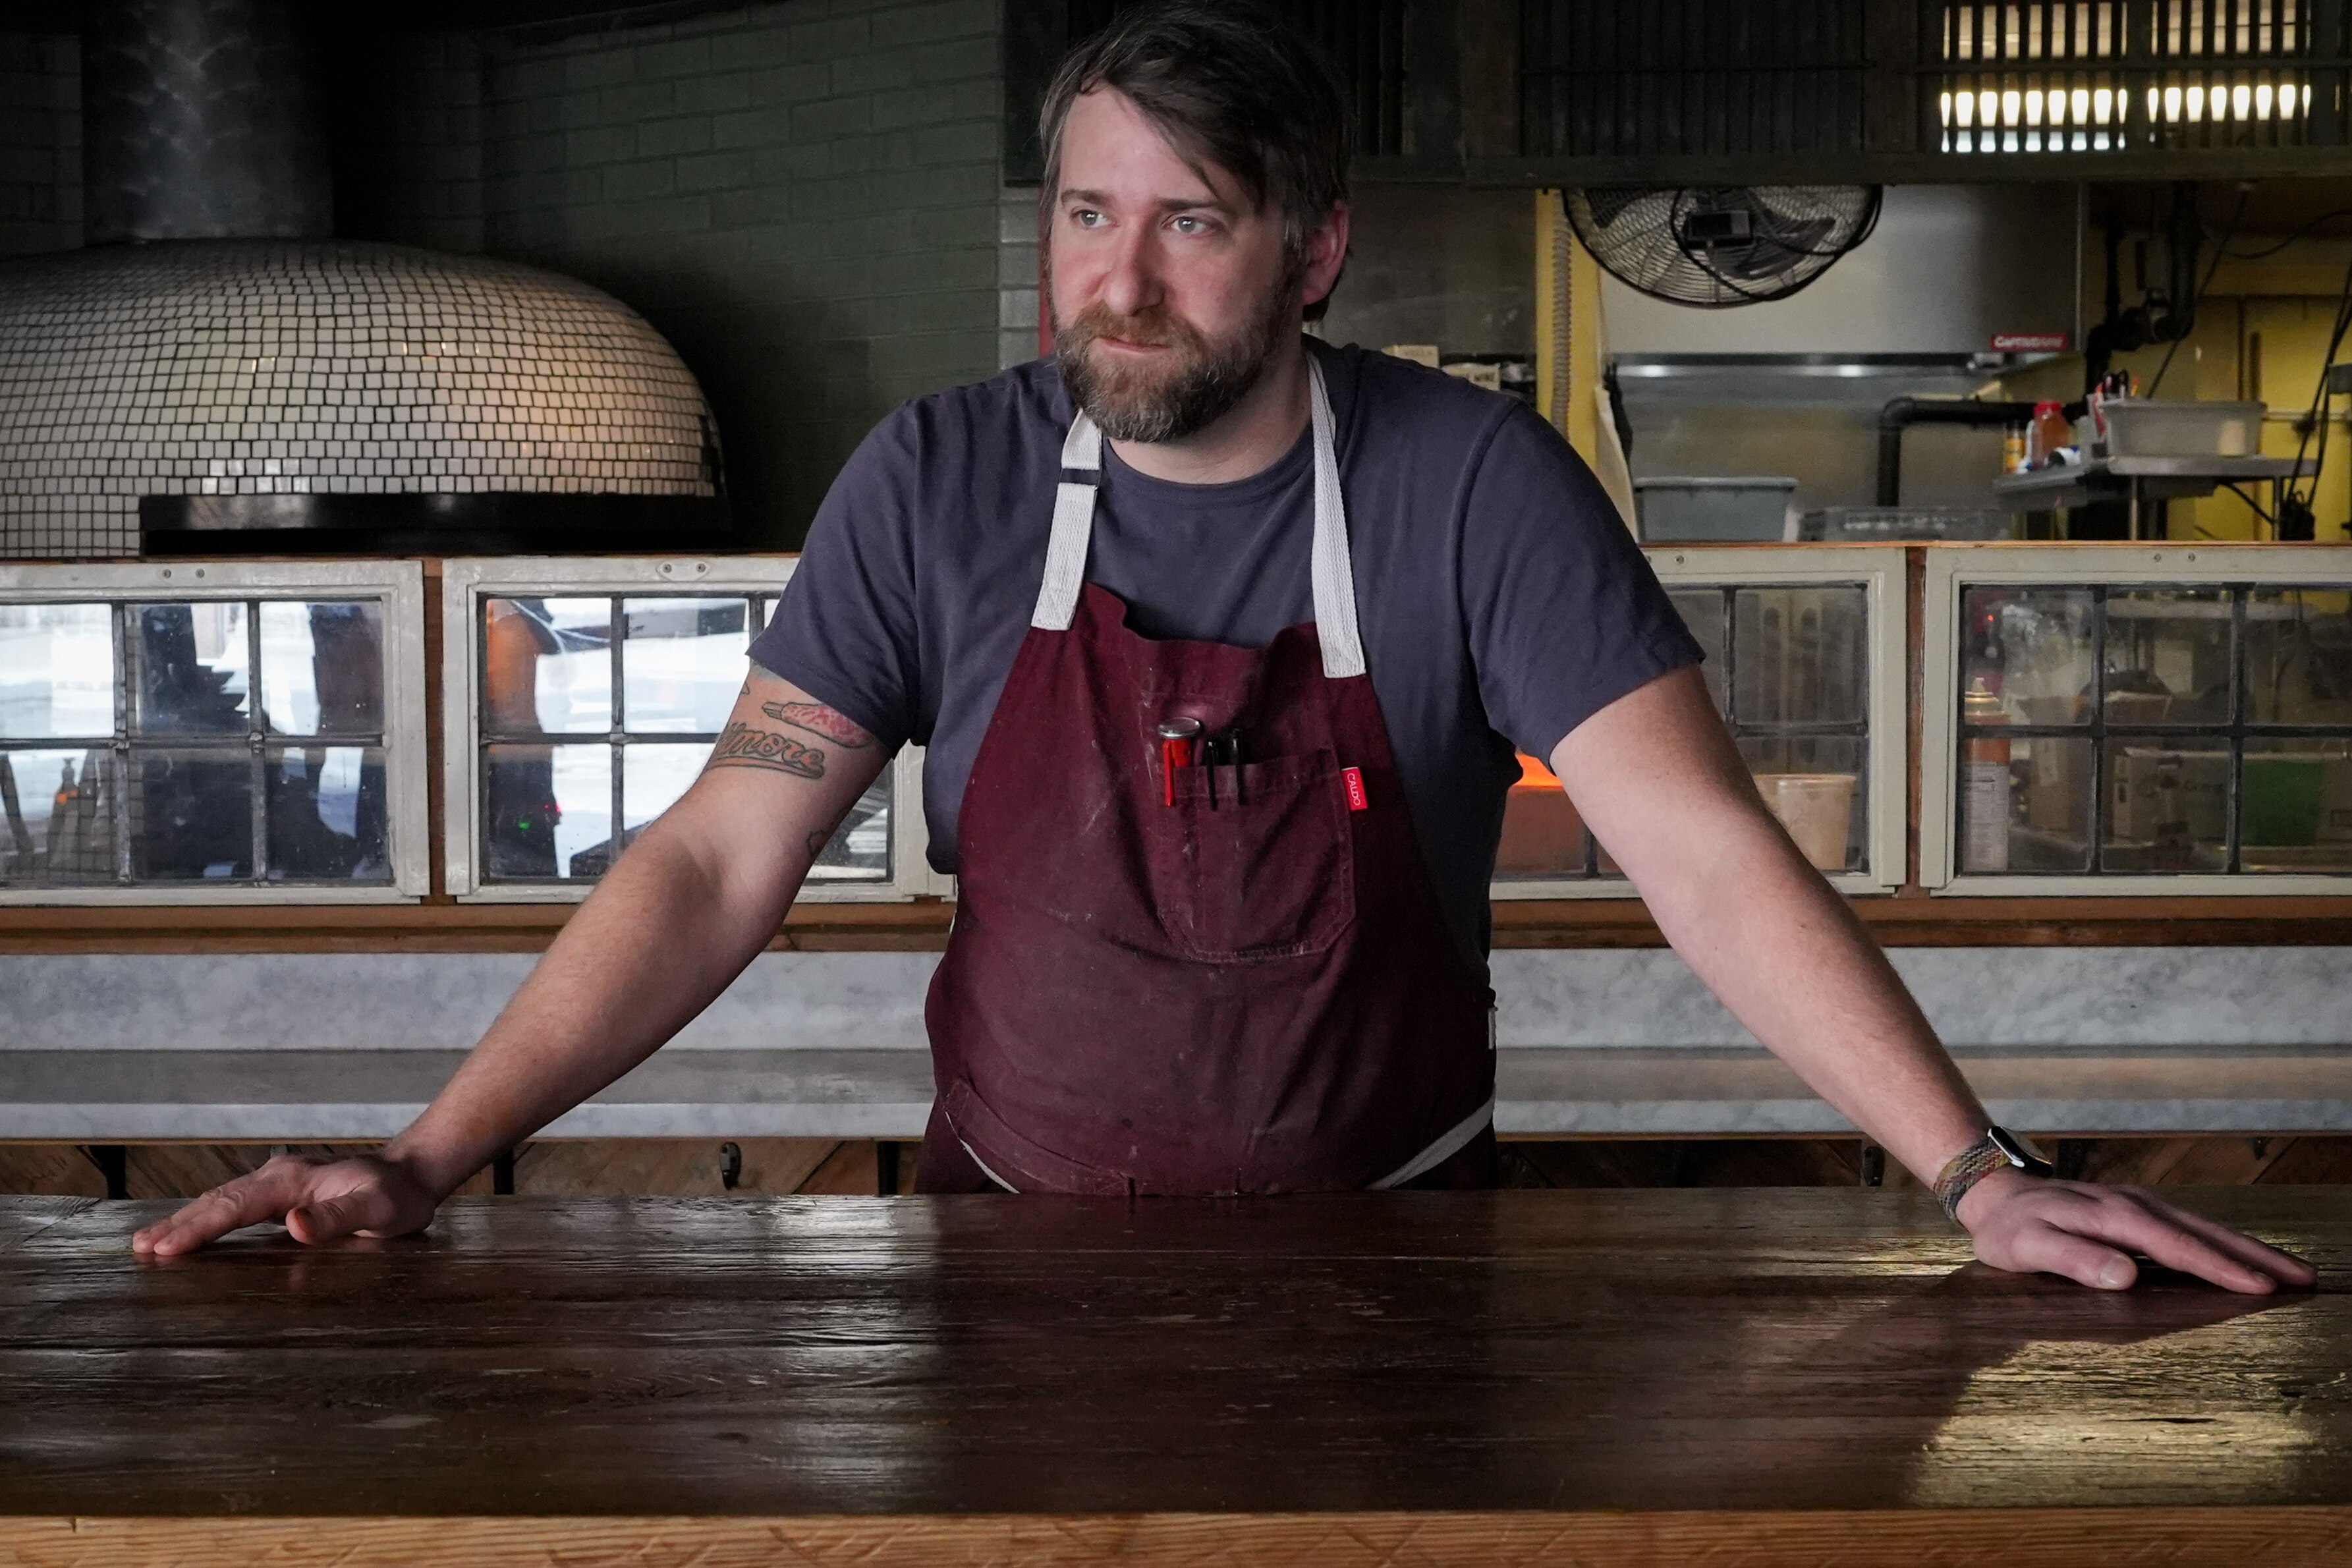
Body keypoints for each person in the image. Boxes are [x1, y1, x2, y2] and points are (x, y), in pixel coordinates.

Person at [136, 3, 2312, 1295]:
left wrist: (1975, 1175)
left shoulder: (1473, 485)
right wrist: (429, 1152)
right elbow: (714, 859)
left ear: (1310, 250)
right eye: (1089, 215)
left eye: (1188, 220)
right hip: (1002, 1257)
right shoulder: (937, 483)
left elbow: (1705, 856)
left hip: (1397, 1261)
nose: (1122, 281)